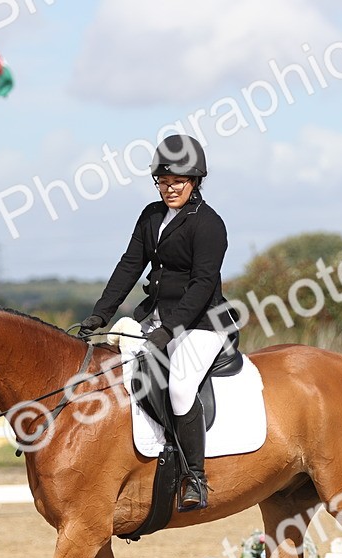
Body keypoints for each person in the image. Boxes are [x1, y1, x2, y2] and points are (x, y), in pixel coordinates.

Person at [79, 134, 236, 511]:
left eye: (177, 182)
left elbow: (202, 285)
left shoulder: (209, 225)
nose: (169, 189)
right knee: (111, 370)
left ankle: (194, 476)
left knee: (180, 385)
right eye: (163, 183)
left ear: (195, 181)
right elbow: (130, 265)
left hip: (202, 323)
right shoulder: (151, 216)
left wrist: (170, 330)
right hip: (154, 317)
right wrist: (102, 311)